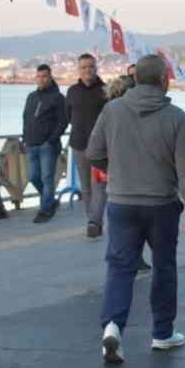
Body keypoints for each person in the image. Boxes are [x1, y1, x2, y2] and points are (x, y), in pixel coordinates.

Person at [87, 53, 185, 363]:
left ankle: (113, 326)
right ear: (164, 80)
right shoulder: (176, 116)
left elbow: (93, 152)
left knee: (120, 266)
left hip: (121, 202)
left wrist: (115, 171)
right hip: (162, 204)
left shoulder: (112, 110)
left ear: (135, 78)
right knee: (164, 266)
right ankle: (163, 333)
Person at [65, 53, 108, 238]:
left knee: (99, 185)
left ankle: (95, 221)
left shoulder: (105, 90)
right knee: (86, 186)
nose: (87, 70)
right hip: (79, 145)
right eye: (84, 67)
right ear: (79, 70)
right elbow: (68, 115)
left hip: (100, 148)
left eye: (91, 66)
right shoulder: (72, 91)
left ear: (96, 68)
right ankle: (92, 219)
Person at [22, 63, 68, 224]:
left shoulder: (58, 98)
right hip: (31, 143)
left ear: (50, 77)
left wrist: (52, 139)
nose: (41, 80)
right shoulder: (31, 97)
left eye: (44, 76)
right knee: (34, 177)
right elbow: (26, 118)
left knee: (47, 178)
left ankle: (45, 209)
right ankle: (50, 200)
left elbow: (63, 121)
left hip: (48, 145)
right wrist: (24, 137)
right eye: (39, 76)